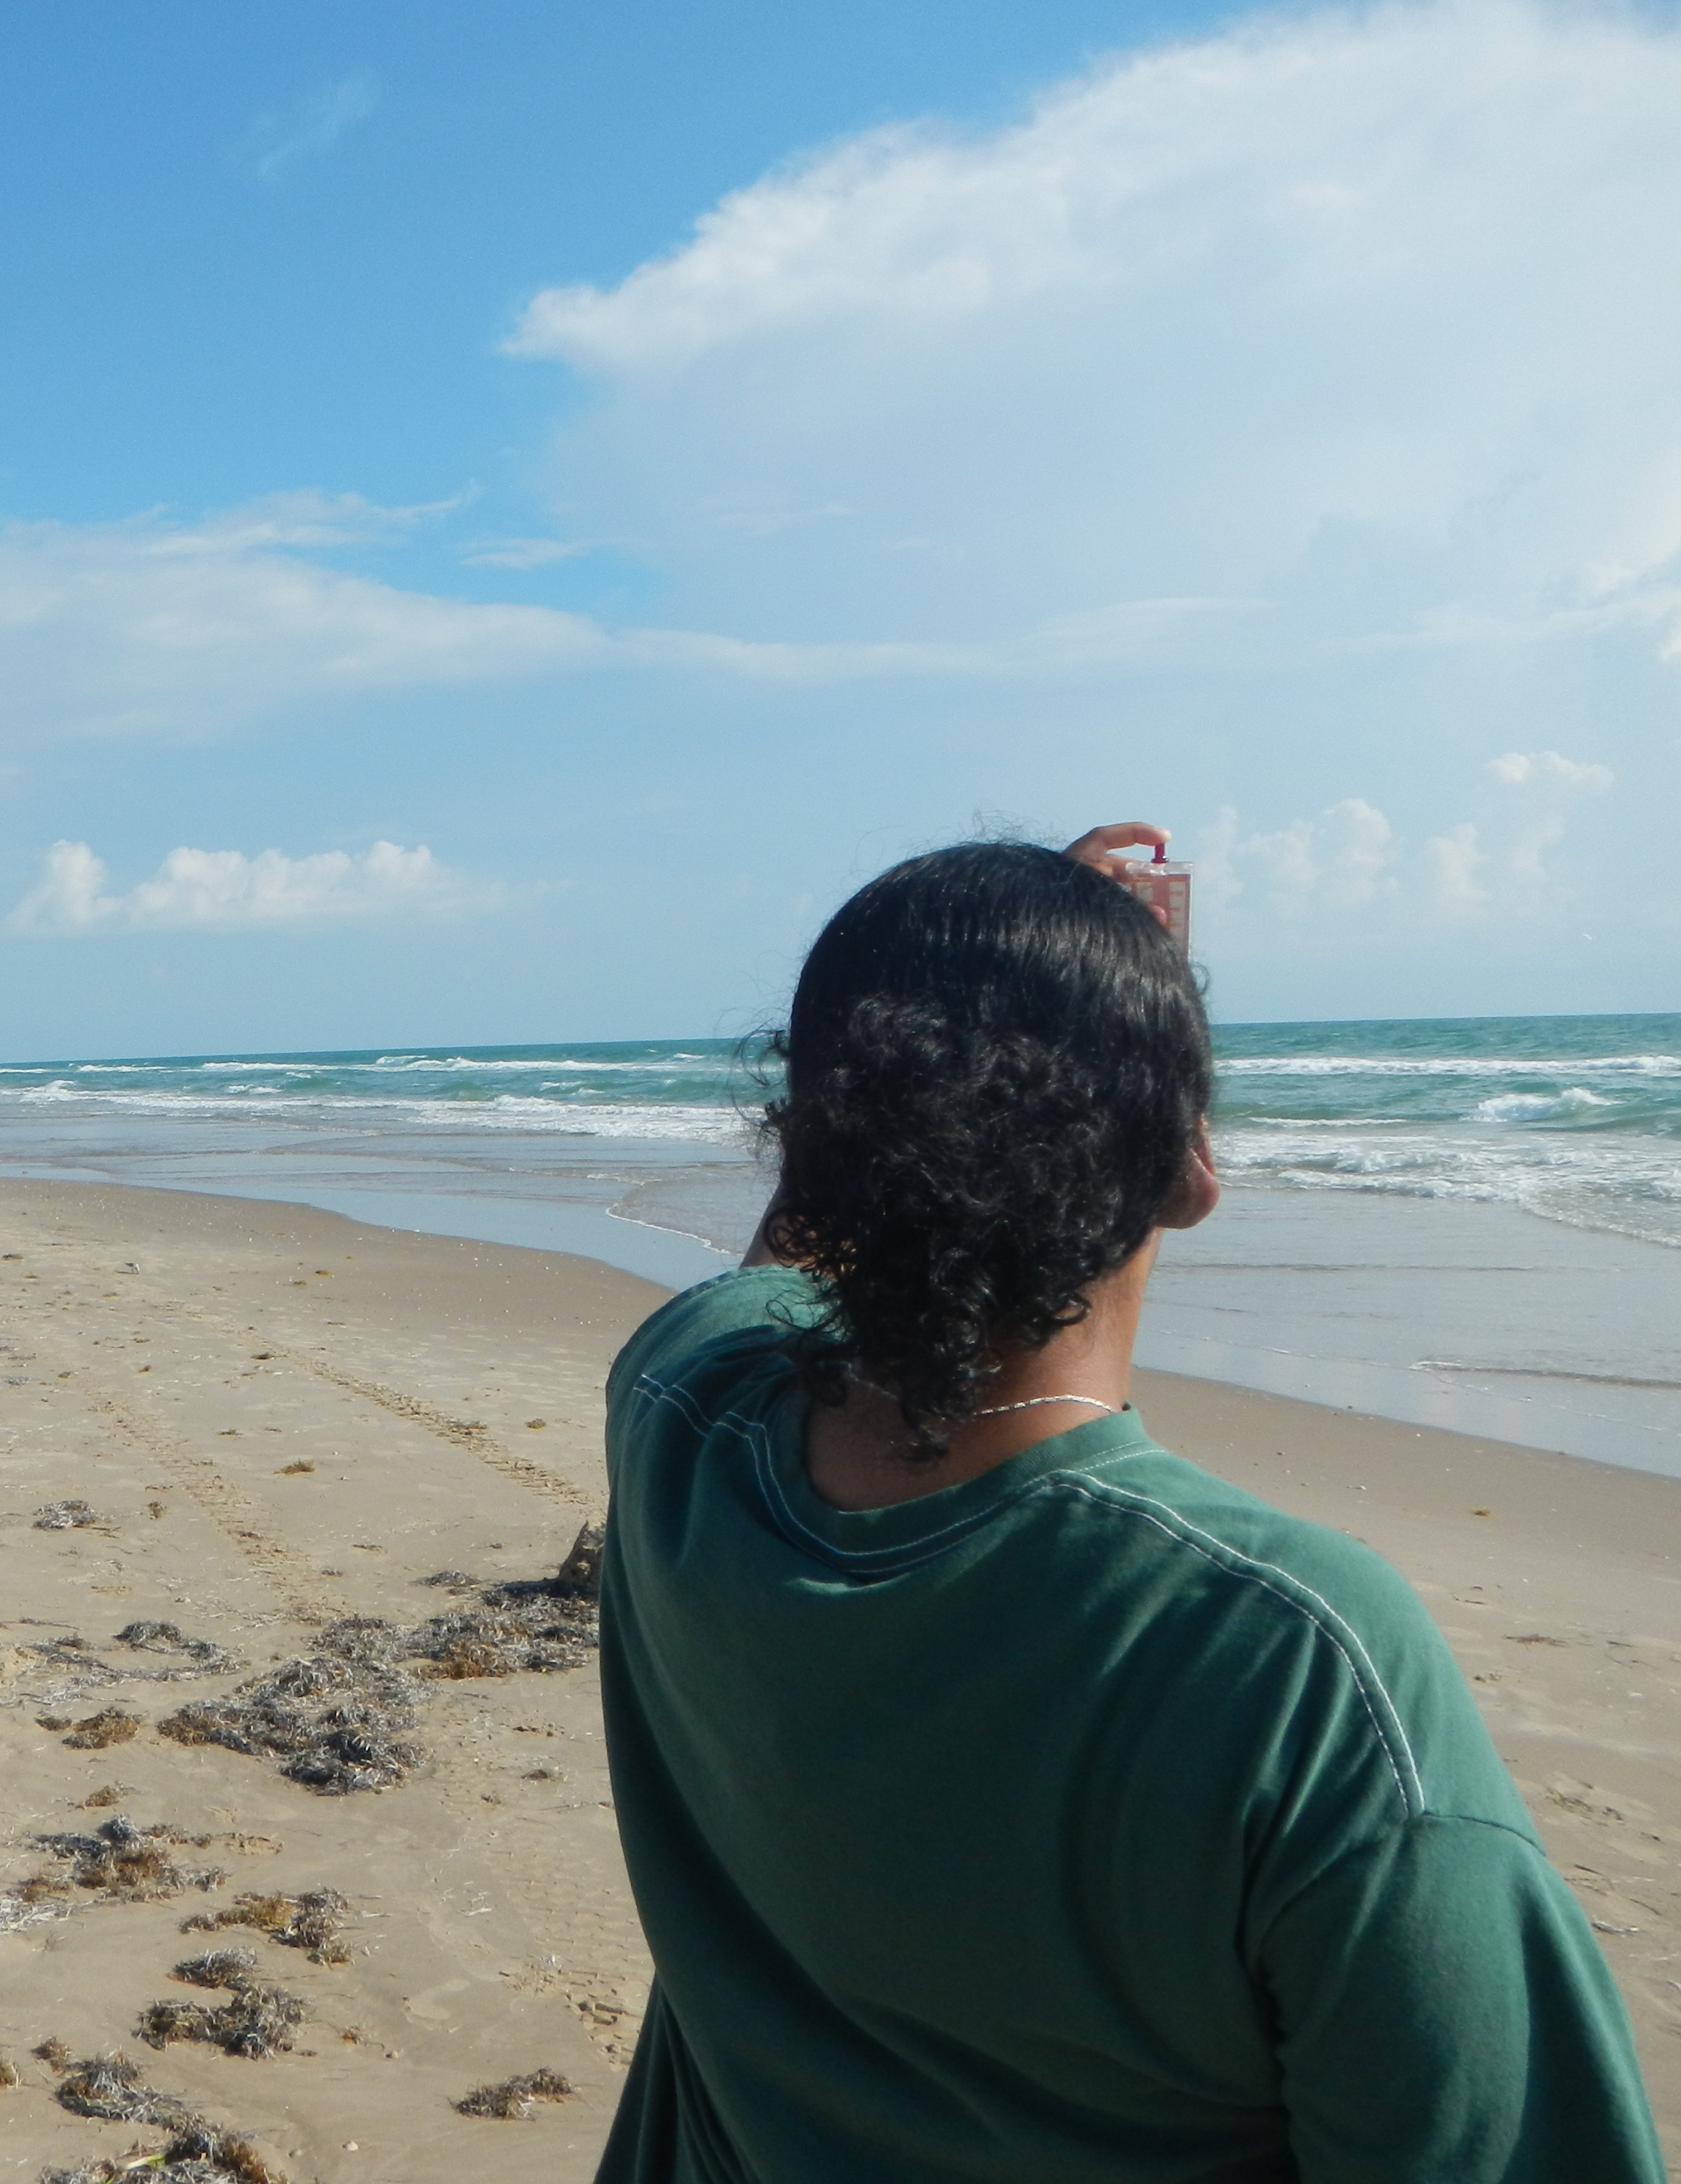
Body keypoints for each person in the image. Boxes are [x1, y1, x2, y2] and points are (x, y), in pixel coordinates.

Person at [592, 825, 1663, 2183]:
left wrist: (1000, 967)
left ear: (815, 1139)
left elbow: (774, 1273)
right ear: (1189, 1169)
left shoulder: (684, 1426)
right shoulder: (1288, 1660)